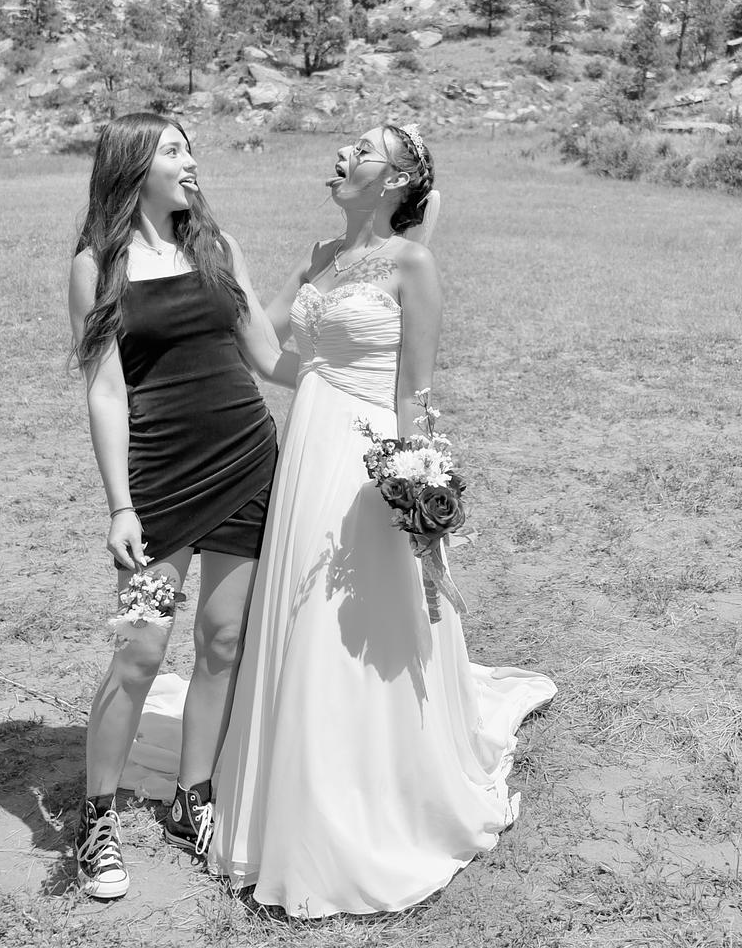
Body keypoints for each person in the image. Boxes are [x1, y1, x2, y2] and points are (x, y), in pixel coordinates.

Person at [205, 122, 556, 916]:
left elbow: (414, 393)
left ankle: (365, 795)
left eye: (362, 152)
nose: (342, 155)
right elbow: (270, 357)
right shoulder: (320, 256)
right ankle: (288, 786)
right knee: (298, 614)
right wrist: (232, 271)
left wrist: (415, 487)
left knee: (349, 616)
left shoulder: (411, 265)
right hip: (304, 454)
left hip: (365, 463)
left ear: (396, 181)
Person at [68, 112, 292, 900]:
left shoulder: (218, 246)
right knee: (139, 649)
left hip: (246, 465)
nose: (191, 161)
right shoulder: (98, 266)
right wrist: (120, 507)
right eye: (173, 150)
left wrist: (357, 341)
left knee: (223, 640)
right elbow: (106, 391)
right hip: (159, 486)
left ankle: (192, 797)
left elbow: (267, 355)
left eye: (190, 148)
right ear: (134, 166)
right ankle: (95, 820)